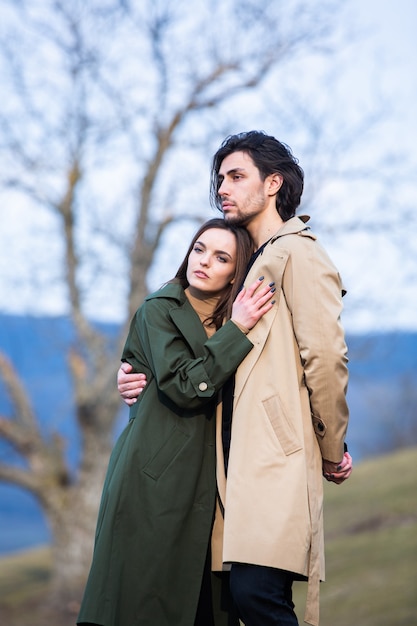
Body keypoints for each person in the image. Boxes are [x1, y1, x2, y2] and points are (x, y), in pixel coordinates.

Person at [117, 131, 353, 626]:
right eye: (220, 178)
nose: (222, 187)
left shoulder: (299, 254)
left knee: (258, 597)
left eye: (236, 176)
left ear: (273, 183)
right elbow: (198, 350)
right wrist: (137, 373)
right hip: (229, 469)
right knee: (233, 604)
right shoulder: (251, 261)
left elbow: (327, 358)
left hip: (273, 460)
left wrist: (332, 447)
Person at [77, 218, 276, 626]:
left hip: (219, 485)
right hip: (155, 479)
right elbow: (187, 385)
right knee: (142, 603)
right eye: (199, 248)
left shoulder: (239, 315)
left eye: (221, 257)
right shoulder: (160, 309)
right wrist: (238, 329)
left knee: (206, 605)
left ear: (236, 273)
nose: (203, 261)